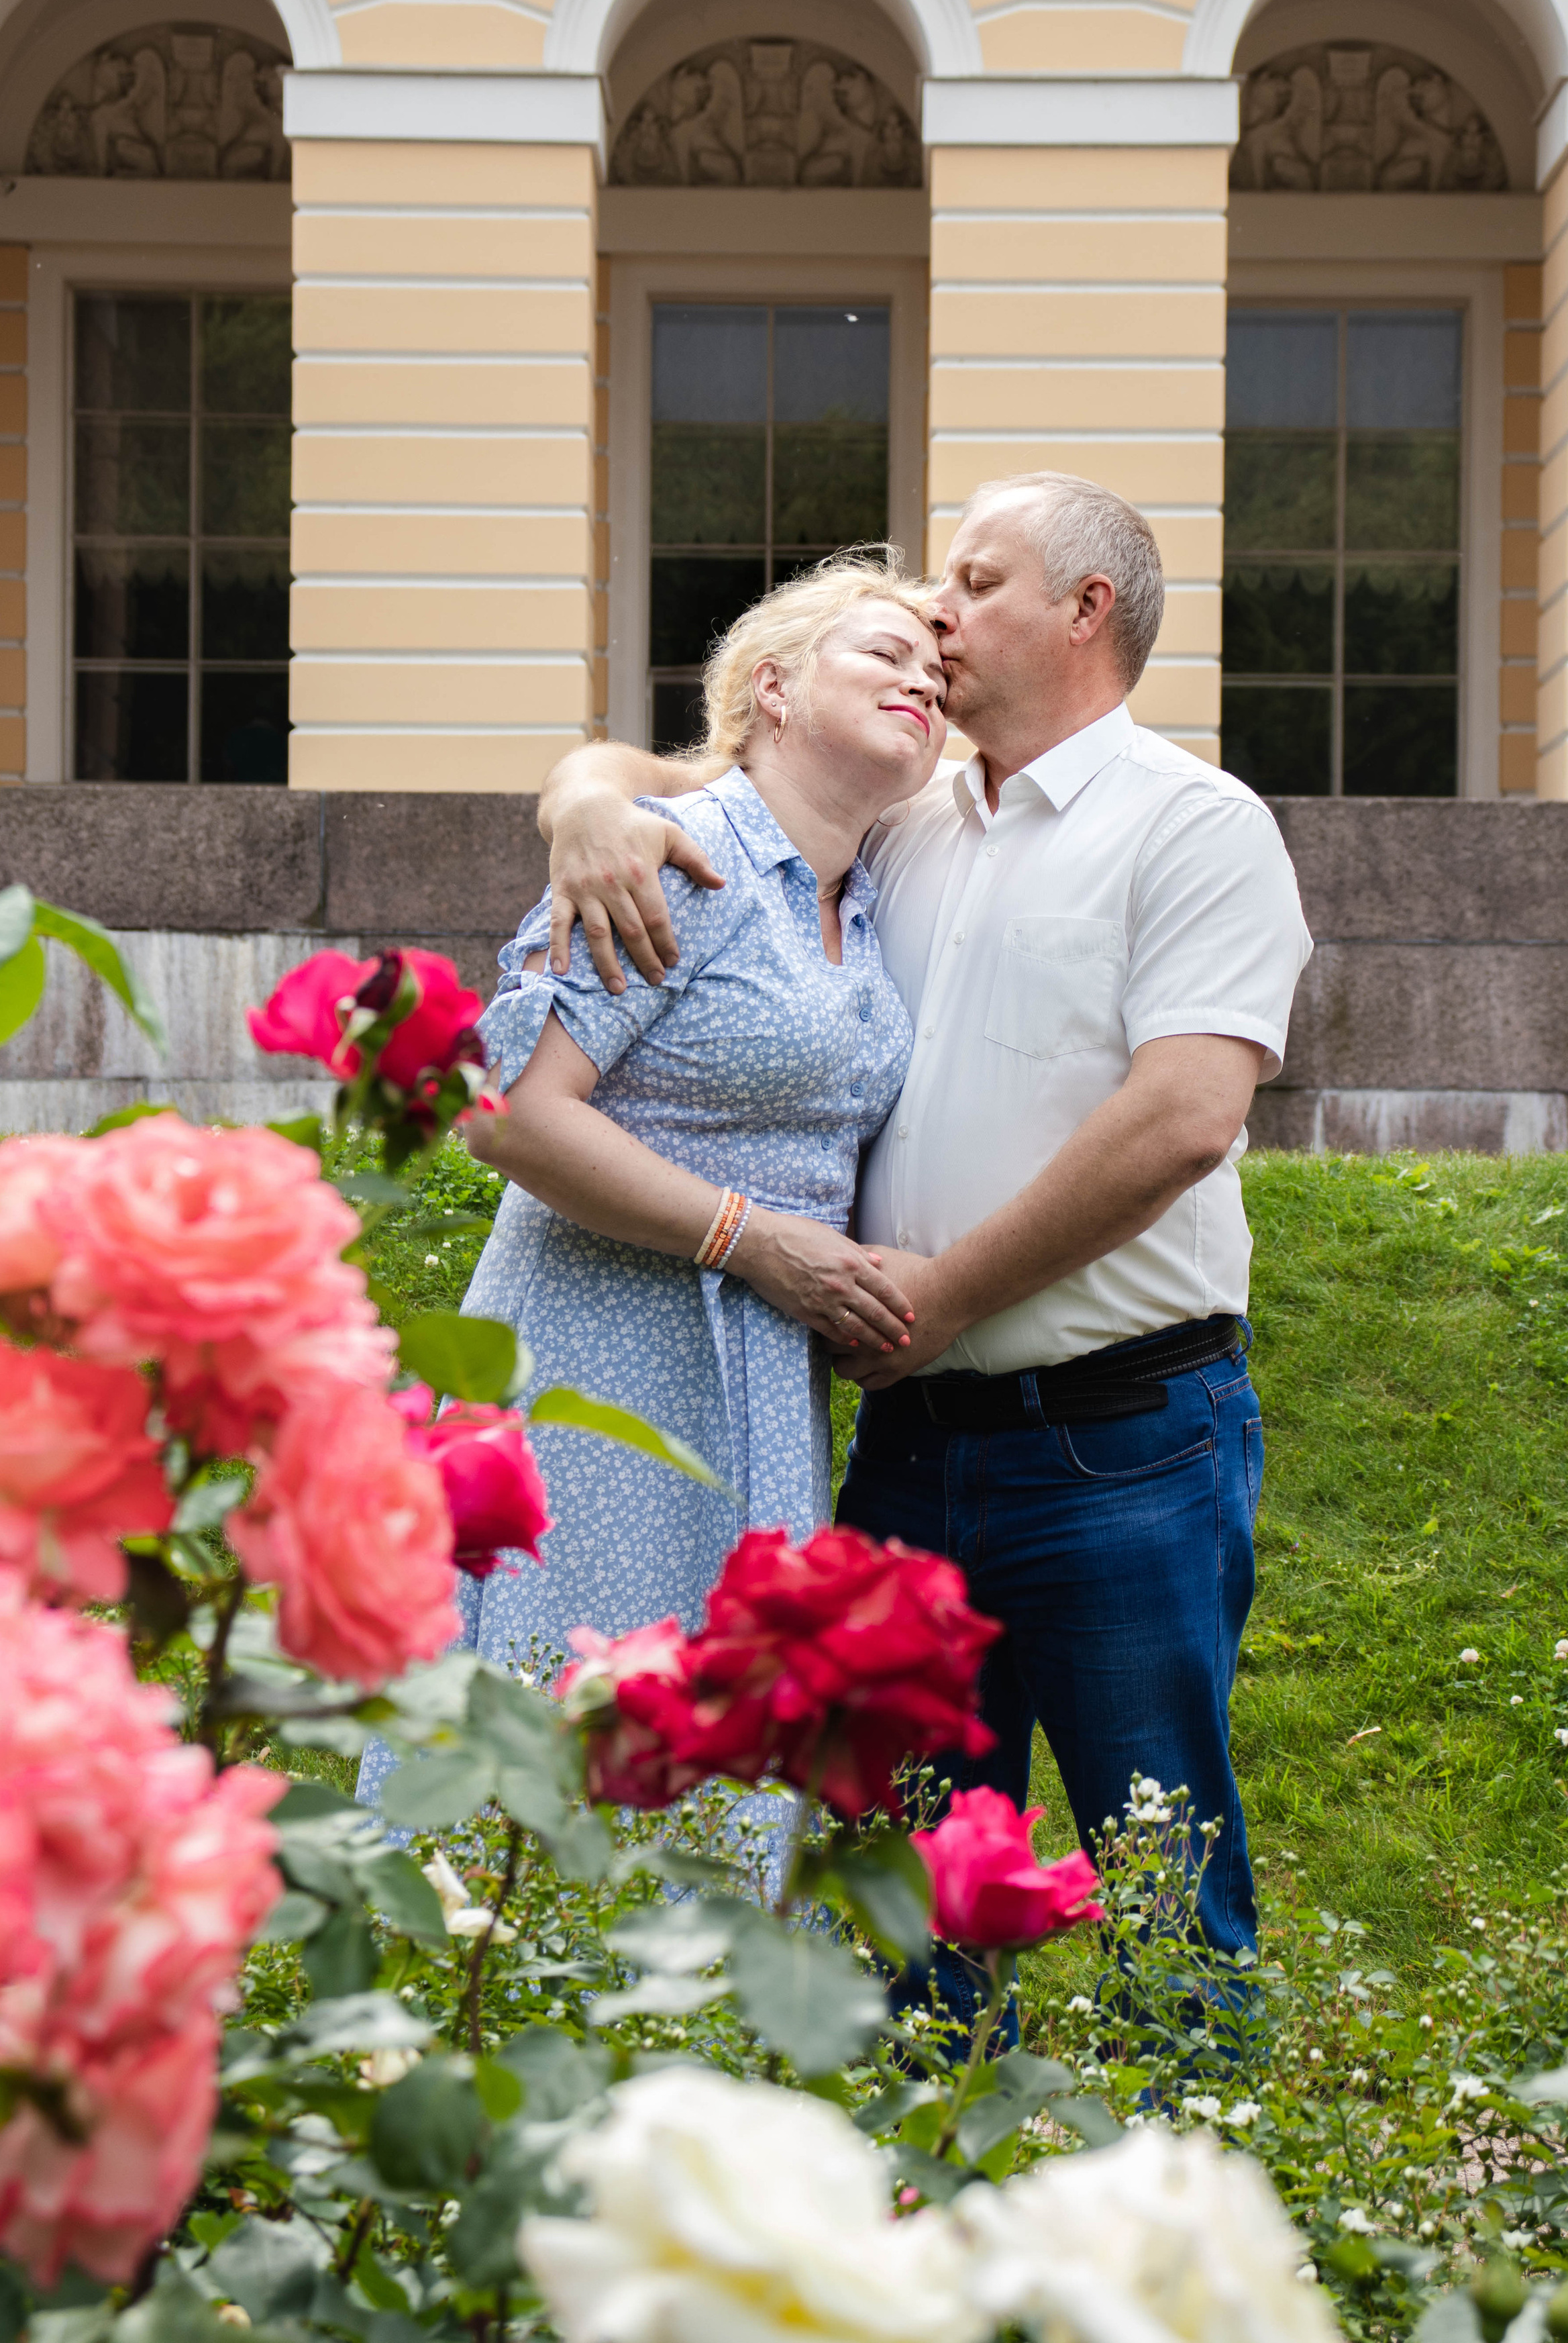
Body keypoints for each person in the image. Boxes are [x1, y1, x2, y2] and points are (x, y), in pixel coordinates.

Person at [535, 473, 1313, 1971]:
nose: (934, 615)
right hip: (902, 1448)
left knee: (1159, 1875)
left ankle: (1199, 2178)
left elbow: (1182, 1120)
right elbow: (688, 768)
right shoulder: (906, 818)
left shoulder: (1193, 826)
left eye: (975, 581)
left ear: (1085, 611)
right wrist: (582, 798)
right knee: (901, 1896)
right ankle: (920, 2192)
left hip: (1119, 1441)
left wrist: (944, 1292)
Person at [391, 557, 946, 1736]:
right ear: (776, 689)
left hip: (763, 1373)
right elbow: (505, 1109)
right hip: (605, 1354)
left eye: (939, 676)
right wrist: (745, 1239)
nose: (924, 684)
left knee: (714, 1743)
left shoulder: (866, 895)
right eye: (886, 655)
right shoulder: (681, 857)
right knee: (578, 1726)